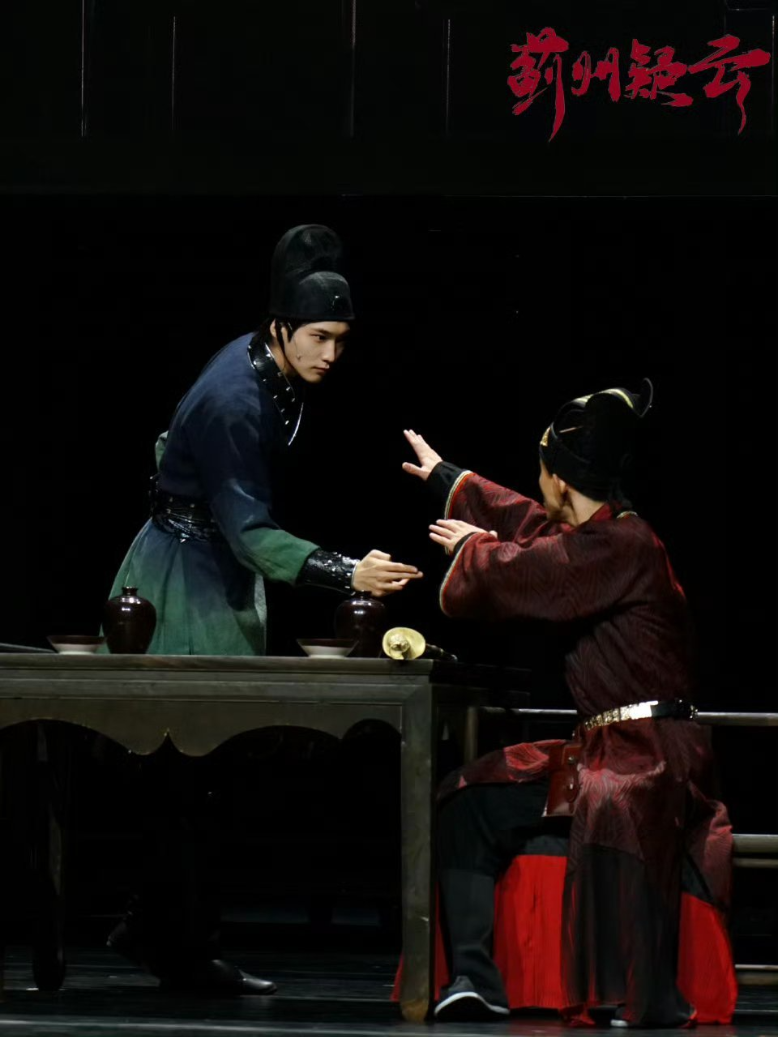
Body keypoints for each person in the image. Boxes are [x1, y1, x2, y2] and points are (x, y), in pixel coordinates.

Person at [105, 225, 421, 995]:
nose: (332, 354)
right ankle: (177, 942)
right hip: (180, 580)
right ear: (280, 327)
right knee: (188, 760)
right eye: (319, 337)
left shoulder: (265, 368)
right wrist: (349, 570)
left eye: (341, 339)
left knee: (204, 769)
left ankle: (159, 928)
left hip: (213, 566)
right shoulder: (233, 397)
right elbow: (249, 532)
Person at [401, 383, 734, 1026]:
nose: (539, 483)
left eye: (541, 471)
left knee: (612, 801)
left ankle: (631, 991)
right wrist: (449, 478)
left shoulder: (626, 545)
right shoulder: (600, 536)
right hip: (605, 750)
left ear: (558, 478)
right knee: (468, 799)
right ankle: (473, 976)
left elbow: (536, 568)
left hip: (650, 759)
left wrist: (472, 551)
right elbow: (534, 529)